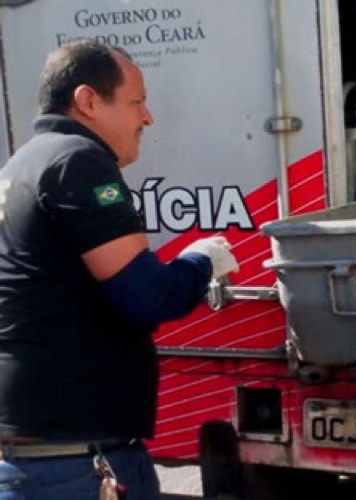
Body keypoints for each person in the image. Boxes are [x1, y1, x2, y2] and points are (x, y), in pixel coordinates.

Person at [0, 39, 239, 499]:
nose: (147, 117)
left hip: (38, 454)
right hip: (74, 464)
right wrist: (201, 259)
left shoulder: (24, 163)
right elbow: (148, 295)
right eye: (137, 102)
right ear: (88, 100)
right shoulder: (77, 159)